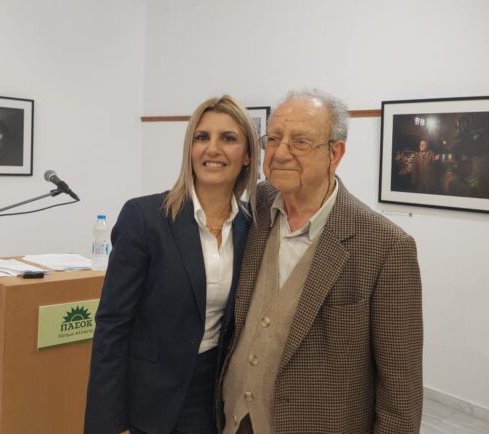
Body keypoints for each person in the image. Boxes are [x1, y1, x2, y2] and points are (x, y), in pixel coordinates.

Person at [218, 89, 423, 434]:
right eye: (274, 139)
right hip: (232, 420)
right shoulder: (258, 206)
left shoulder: (386, 247)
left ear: (335, 153)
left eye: (300, 142)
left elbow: (400, 393)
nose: (281, 153)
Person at [84, 95, 260, 434]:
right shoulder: (144, 217)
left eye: (228, 138)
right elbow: (112, 324)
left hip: (213, 396)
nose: (212, 149)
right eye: (202, 137)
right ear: (190, 149)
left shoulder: (251, 227)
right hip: (146, 396)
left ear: (248, 155)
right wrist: (108, 422)